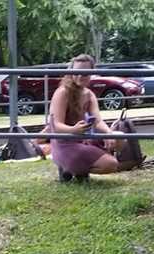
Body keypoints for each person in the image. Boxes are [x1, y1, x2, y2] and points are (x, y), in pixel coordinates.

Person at [49, 53, 137, 181]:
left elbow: (97, 121)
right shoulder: (63, 92)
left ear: (91, 73)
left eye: (84, 73)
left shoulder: (89, 94)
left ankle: (81, 168)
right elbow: (56, 125)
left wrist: (108, 133)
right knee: (111, 164)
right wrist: (73, 129)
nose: (80, 76)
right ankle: (70, 169)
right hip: (65, 144)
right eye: (76, 72)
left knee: (119, 138)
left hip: (83, 139)